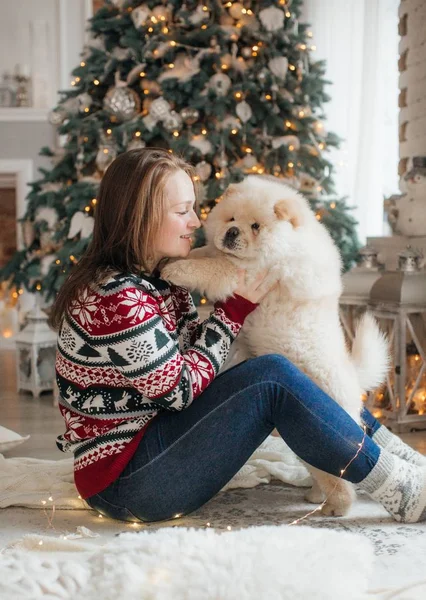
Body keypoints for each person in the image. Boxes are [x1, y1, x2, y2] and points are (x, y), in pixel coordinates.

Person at [51, 148, 426, 524]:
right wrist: (235, 310)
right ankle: (399, 486)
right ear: (140, 216)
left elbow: (191, 356)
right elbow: (179, 390)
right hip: (128, 482)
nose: (196, 222)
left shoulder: (157, 280)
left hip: (157, 445)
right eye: (182, 211)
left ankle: (403, 462)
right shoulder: (115, 296)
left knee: (308, 377)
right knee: (272, 377)